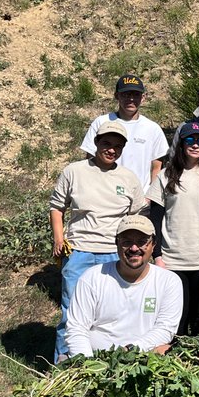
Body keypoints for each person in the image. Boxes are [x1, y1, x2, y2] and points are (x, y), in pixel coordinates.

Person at [49, 119, 147, 361]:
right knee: (72, 311)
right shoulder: (75, 171)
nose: (111, 149)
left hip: (116, 255)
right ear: (96, 143)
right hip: (80, 252)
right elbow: (57, 207)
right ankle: (65, 365)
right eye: (106, 143)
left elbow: (136, 217)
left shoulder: (128, 178)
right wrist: (58, 239)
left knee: (112, 313)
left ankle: (106, 364)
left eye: (117, 146)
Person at [147, 122, 199, 337]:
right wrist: (157, 256)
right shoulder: (166, 175)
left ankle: (198, 365)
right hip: (173, 260)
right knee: (176, 319)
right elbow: (155, 219)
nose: (195, 145)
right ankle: (173, 363)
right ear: (181, 144)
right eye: (189, 140)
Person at [65, 214, 183, 358]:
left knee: (166, 349)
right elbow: (76, 328)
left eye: (142, 242)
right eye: (126, 242)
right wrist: (88, 365)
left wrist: (128, 352)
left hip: (143, 355)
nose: (134, 248)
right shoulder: (92, 278)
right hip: (97, 359)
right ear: (116, 243)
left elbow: (165, 329)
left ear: (153, 244)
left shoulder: (169, 281)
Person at [79, 75, 168, 190]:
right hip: (105, 193)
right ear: (117, 96)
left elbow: (156, 167)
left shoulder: (153, 128)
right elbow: (90, 159)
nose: (131, 99)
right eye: (126, 94)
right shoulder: (101, 122)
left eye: (136, 95)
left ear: (143, 97)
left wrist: (151, 197)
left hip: (140, 198)